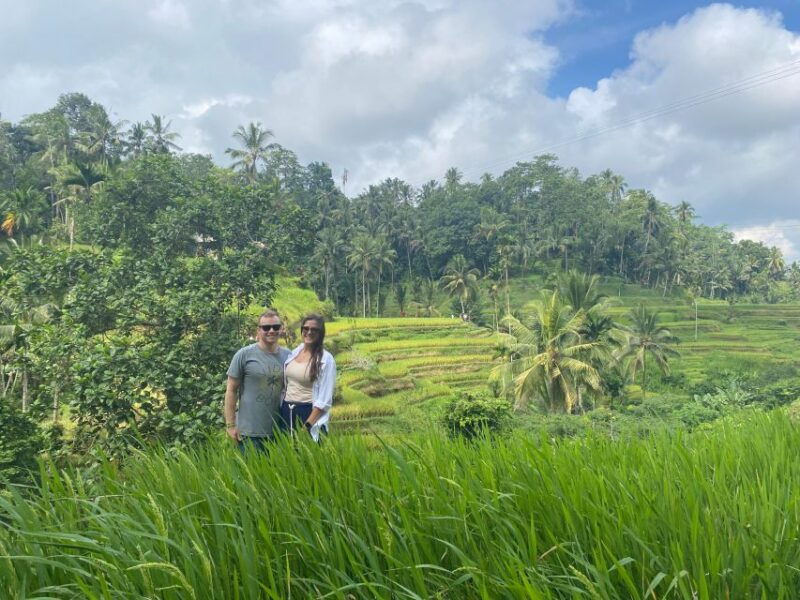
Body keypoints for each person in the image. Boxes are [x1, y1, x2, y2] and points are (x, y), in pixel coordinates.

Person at [224, 310, 291, 452]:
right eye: (266, 327)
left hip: (279, 432)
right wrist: (230, 425)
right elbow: (231, 390)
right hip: (249, 434)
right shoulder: (244, 355)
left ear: (281, 329)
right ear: (258, 330)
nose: (271, 331)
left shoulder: (289, 356)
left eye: (276, 327)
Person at [281, 314, 336, 441]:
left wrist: (306, 427)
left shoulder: (326, 360)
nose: (309, 332)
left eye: (314, 329)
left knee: (307, 456)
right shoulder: (294, 353)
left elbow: (324, 401)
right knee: (286, 457)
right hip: (286, 411)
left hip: (308, 414)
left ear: (321, 333)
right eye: (306, 328)